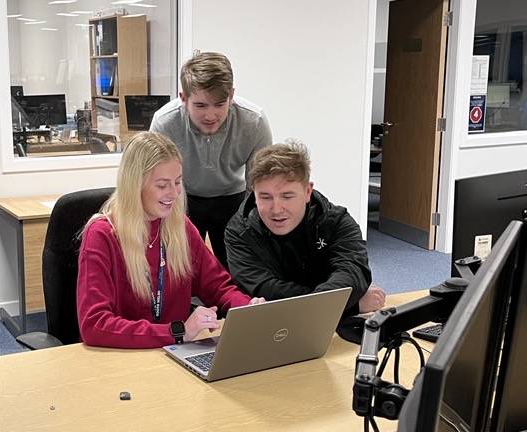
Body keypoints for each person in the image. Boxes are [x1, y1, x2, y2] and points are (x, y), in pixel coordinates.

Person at [77, 131, 264, 349]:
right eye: (162, 185)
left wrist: (247, 307)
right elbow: (94, 325)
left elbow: (218, 287)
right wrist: (178, 332)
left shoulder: (178, 227)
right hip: (122, 358)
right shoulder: (102, 235)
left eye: (177, 182)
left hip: (174, 353)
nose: (174, 193)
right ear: (134, 185)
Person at [225, 140, 386, 316]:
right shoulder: (239, 232)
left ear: (308, 192)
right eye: (265, 197)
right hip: (272, 323)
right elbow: (265, 290)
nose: (276, 209)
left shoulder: (337, 222)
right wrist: (350, 306)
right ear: (253, 193)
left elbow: (353, 273)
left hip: (332, 324)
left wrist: (334, 302)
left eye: (287, 196)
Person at [150, 52, 272, 270]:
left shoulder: (255, 121)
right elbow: (151, 181)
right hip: (182, 198)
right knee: (180, 269)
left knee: (238, 270)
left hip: (233, 199)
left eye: (219, 104)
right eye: (200, 105)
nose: (210, 115)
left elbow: (261, 185)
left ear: (231, 95)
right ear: (183, 98)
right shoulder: (164, 123)